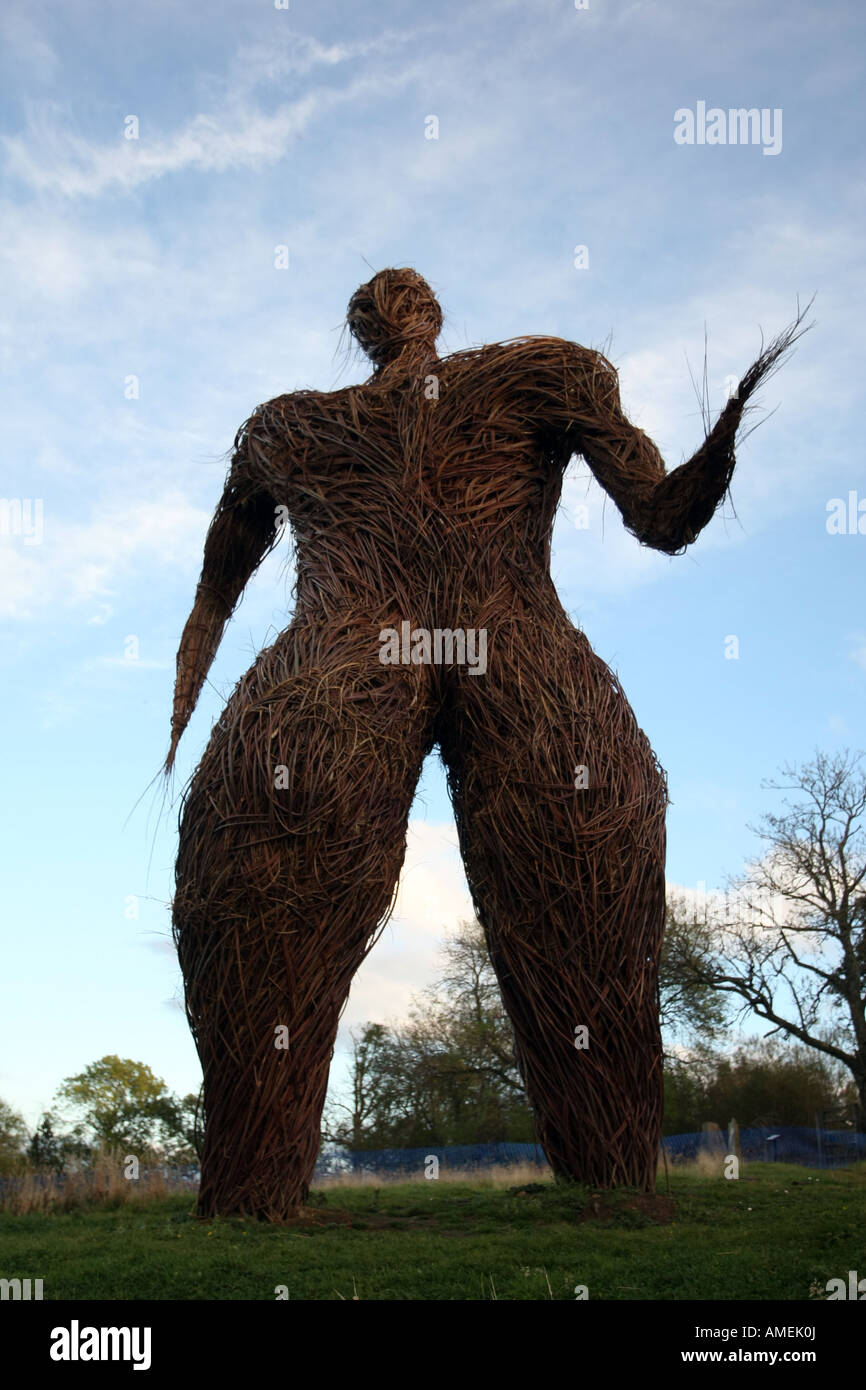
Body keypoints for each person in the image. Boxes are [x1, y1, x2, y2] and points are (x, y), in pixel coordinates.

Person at [167, 267, 806, 1219]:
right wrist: (724, 438)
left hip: (333, 671)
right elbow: (662, 517)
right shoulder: (543, 374)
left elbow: (213, 598)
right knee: (585, 889)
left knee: (264, 901)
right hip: (519, 656)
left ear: (363, 333)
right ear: (430, 317)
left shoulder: (286, 428)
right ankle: (613, 1186)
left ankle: (251, 1196)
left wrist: (178, 720)